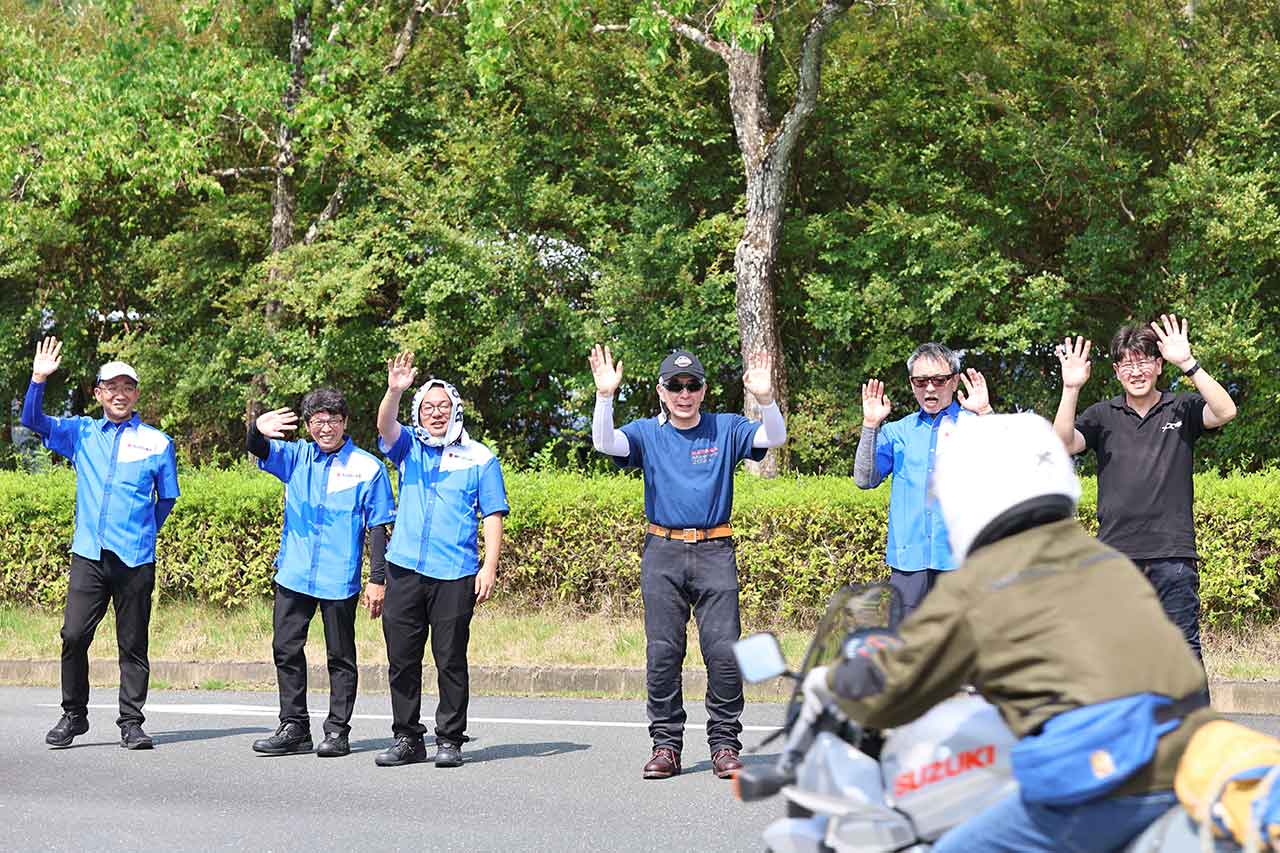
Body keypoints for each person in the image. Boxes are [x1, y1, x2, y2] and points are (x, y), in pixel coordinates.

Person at [810, 413, 1213, 851]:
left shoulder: (982, 581)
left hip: (1107, 775)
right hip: (1192, 759)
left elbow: (895, 686)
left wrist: (830, 682)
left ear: (971, 490)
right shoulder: (1102, 558)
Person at [590, 344, 787, 780]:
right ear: (662, 391)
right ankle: (666, 746)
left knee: (723, 653)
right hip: (662, 551)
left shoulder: (726, 427)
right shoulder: (647, 432)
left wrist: (767, 398)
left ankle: (724, 744)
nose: (684, 393)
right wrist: (605, 397)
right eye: (675, 386)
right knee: (663, 653)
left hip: (716, 550)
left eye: (692, 385)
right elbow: (605, 443)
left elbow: (773, 438)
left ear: (703, 390)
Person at [22, 337, 180, 750]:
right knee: (74, 635)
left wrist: (145, 531)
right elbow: (33, 420)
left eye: (127, 387)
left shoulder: (157, 442)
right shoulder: (82, 433)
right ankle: (74, 715)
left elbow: (167, 498)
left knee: (133, 643)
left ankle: (131, 722)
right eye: (111, 387)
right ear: (98, 394)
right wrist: (39, 379)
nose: (120, 394)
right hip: (89, 553)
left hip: (135, 557)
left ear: (137, 394)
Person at [1053, 314, 1237, 660]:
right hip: (1115, 556)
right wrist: (1071, 388)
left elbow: (1226, 411)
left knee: (1182, 652)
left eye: (1143, 363)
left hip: (1173, 555)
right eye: (1126, 365)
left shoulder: (1182, 406)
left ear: (1158, 366)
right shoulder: (1101, 416)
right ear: (1116, 371)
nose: (1135, 372)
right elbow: (1061, 444)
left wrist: (1188, 363)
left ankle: (1189, 717)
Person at [373, 353, 508, 768]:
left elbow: (493, 513)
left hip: (455, 572)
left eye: (443, 407)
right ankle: (407, 737)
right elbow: (384, 426)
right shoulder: (409, 449)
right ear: (418, 412)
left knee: (450, 658)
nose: (435, 414)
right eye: (428, 407)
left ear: (456, 410)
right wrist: (395, 390)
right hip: (404, 568)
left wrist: (489, 565)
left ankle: (450, 738)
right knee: (402, 658)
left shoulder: (480, 457)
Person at [245, 388, 396, 758]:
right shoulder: (296, 457)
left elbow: (379, 526)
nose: (324, 427)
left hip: (338, 576)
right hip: (294, 573)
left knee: (340, 656)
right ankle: (294, 726)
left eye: (332, 419)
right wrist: (256, 429)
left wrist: (377, 578)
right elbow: (260, 449)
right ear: (309, 425)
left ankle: (337, 731)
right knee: (285, 648)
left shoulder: (367, 466)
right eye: (317, 421)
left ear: (344, 422)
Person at [854, 342, 993, 623]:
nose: (930, 388)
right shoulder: (897, 431)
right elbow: (864, 478)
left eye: (939, 380)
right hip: (908, 565)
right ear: (912, 384)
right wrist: (870, 425)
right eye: (921, 381)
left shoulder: (975, 426)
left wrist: (987, 413)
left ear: (954, 382)